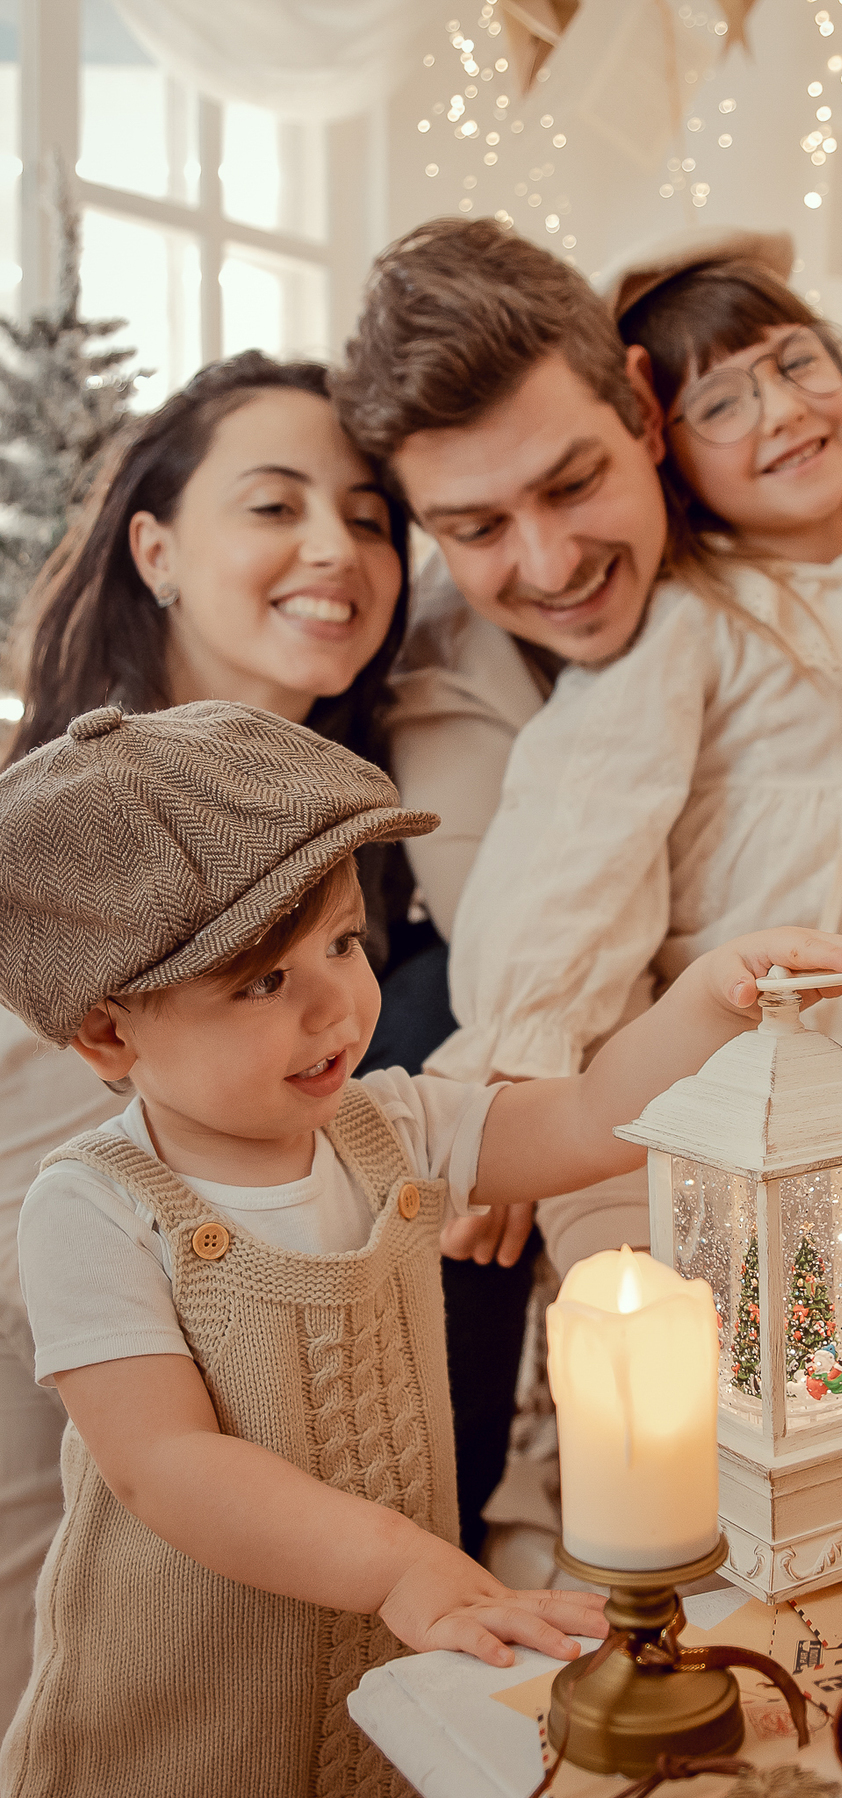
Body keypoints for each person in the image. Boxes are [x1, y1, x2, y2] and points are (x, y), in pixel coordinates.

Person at [335, 219, 842, 1505]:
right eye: (475, 526)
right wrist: (510, 1094)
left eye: (572, 483)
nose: (545, 562)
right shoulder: (570, 652)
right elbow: (558, 872)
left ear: (642, 417)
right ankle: (460, 1525)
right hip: (667, 1048)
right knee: (444, 1055)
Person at [0, 697, 842, 1797]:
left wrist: (710, 995)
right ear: (107, 1032)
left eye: (341, 941)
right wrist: (394, 1561)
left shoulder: (395, 1126)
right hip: (188, 1719)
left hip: (389, 1665)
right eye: (262, 980)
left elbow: (586, 1117)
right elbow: (164, 1466)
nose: (336, 1001)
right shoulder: (92, 1208)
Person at [0, 352, 523, 1734]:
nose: (337, 551)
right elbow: (59, 1444)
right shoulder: (54, 892)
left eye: (368, 516)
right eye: (275, 505)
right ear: (156, 547)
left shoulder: (365, 844)